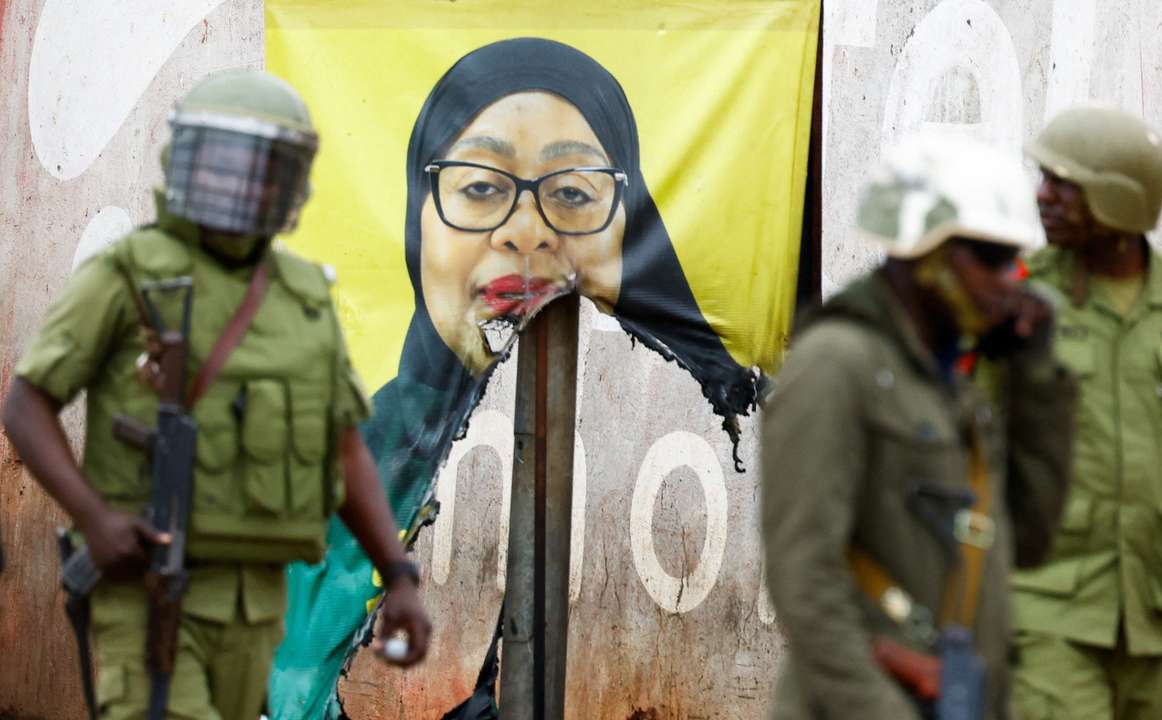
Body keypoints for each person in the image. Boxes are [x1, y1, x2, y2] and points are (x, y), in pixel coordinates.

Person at [271, 37, 764, 715]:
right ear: (417, 216)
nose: (526, 233)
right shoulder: (347, 440)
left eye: (571, 192)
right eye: (479, 187)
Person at [1, 69, 430, 720]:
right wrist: (93, 514)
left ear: (288, 184)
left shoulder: (303, 295)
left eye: (265, 170)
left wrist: (396, 575)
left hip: (256, 606)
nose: (243, 185)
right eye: (225, 163)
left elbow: (342, 450)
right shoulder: (129, 272)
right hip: (148, 594)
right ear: (187, 162)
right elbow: (26, 402)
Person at [761, 132, 1077, 719]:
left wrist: (1034, 374)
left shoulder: (954, 389)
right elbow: (804, 578)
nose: (1011, 279)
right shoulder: (837, 364)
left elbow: (1030, 538)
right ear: (929, 255)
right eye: (989, 258)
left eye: (1013, 260)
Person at [1010, 106, 1162, 720]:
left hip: (1156, 614)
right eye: (1045, 179)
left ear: (1118, 200)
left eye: (1064, 184)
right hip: (1044, 606)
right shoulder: (1015, 304)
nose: (1044, 196)